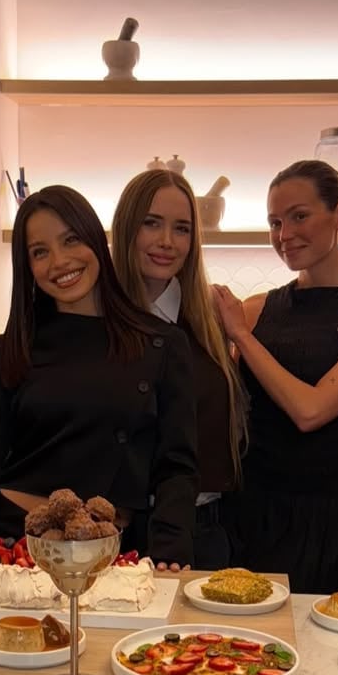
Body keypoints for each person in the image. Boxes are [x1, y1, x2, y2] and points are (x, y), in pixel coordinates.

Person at [0, 185, 197, 567]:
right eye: (40, 252)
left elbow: (177, 467)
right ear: (28, 266)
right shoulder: (13, 347)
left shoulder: (162, 344)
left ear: (95, 241)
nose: (59, 261)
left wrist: (172, 551)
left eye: (71, 240)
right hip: (11, 546)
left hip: (112, 552)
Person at [210, 160, 338, 593]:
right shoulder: (256, 307)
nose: (285, 235)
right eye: (275, 222)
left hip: (328, 520)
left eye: (299, 216)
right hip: (247, 512)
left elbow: (311, 411)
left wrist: (240, 335)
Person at [110, 169, 246, 572]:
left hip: (203, 531)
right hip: (114, 536)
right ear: (126, 228)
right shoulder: (94, 320)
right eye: (152, 223)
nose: (167, 242)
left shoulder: (211, 320)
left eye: (182, 228)